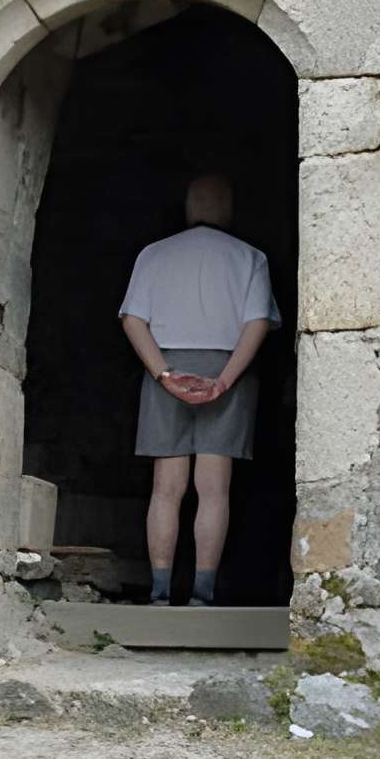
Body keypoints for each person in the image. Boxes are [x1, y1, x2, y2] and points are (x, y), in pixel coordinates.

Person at [115, 173, 279, 606]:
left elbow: (133, 320)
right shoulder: (250, 257)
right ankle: (203, 592)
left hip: (165, 367)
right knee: (214, 489)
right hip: (226, 370)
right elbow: (257, 322)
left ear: (189, 205)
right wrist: (225, 379)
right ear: (227, 207)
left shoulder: (154, 254)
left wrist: (164, 375)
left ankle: (160, 589)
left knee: (166, 488)